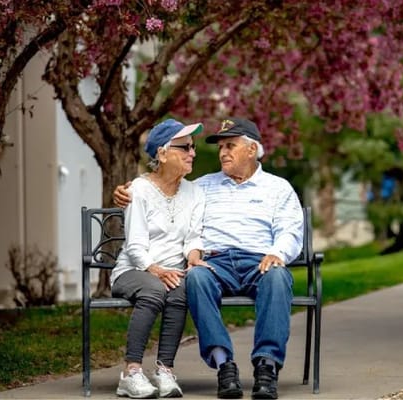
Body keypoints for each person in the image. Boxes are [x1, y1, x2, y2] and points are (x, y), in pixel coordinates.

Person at [114, 117, 304, 400]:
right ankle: (223, 364)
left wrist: (278, 253)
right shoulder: (202, 186)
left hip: (260, 261)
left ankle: (267, 366)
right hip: (215, 263)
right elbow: (163, 187)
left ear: (251, 150)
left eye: (231, 145)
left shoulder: (278, 188)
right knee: (197, 277)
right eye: (220, 147)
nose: (223, 152)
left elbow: (290, 230)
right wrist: (122, 193)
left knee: (278, 276)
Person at [111, 118, 209, 399]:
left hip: (170, 272)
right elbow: (135, 245)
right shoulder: (137, 190)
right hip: (133, 270)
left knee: (179, 289)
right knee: (156, 288)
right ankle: (130, 373)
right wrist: (155, 269)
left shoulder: (195, 192)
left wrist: (192, 259)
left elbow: (193, 236)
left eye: (193, 147)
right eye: (185, 147)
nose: (193, 153)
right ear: (162, 153)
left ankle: (165, 370)